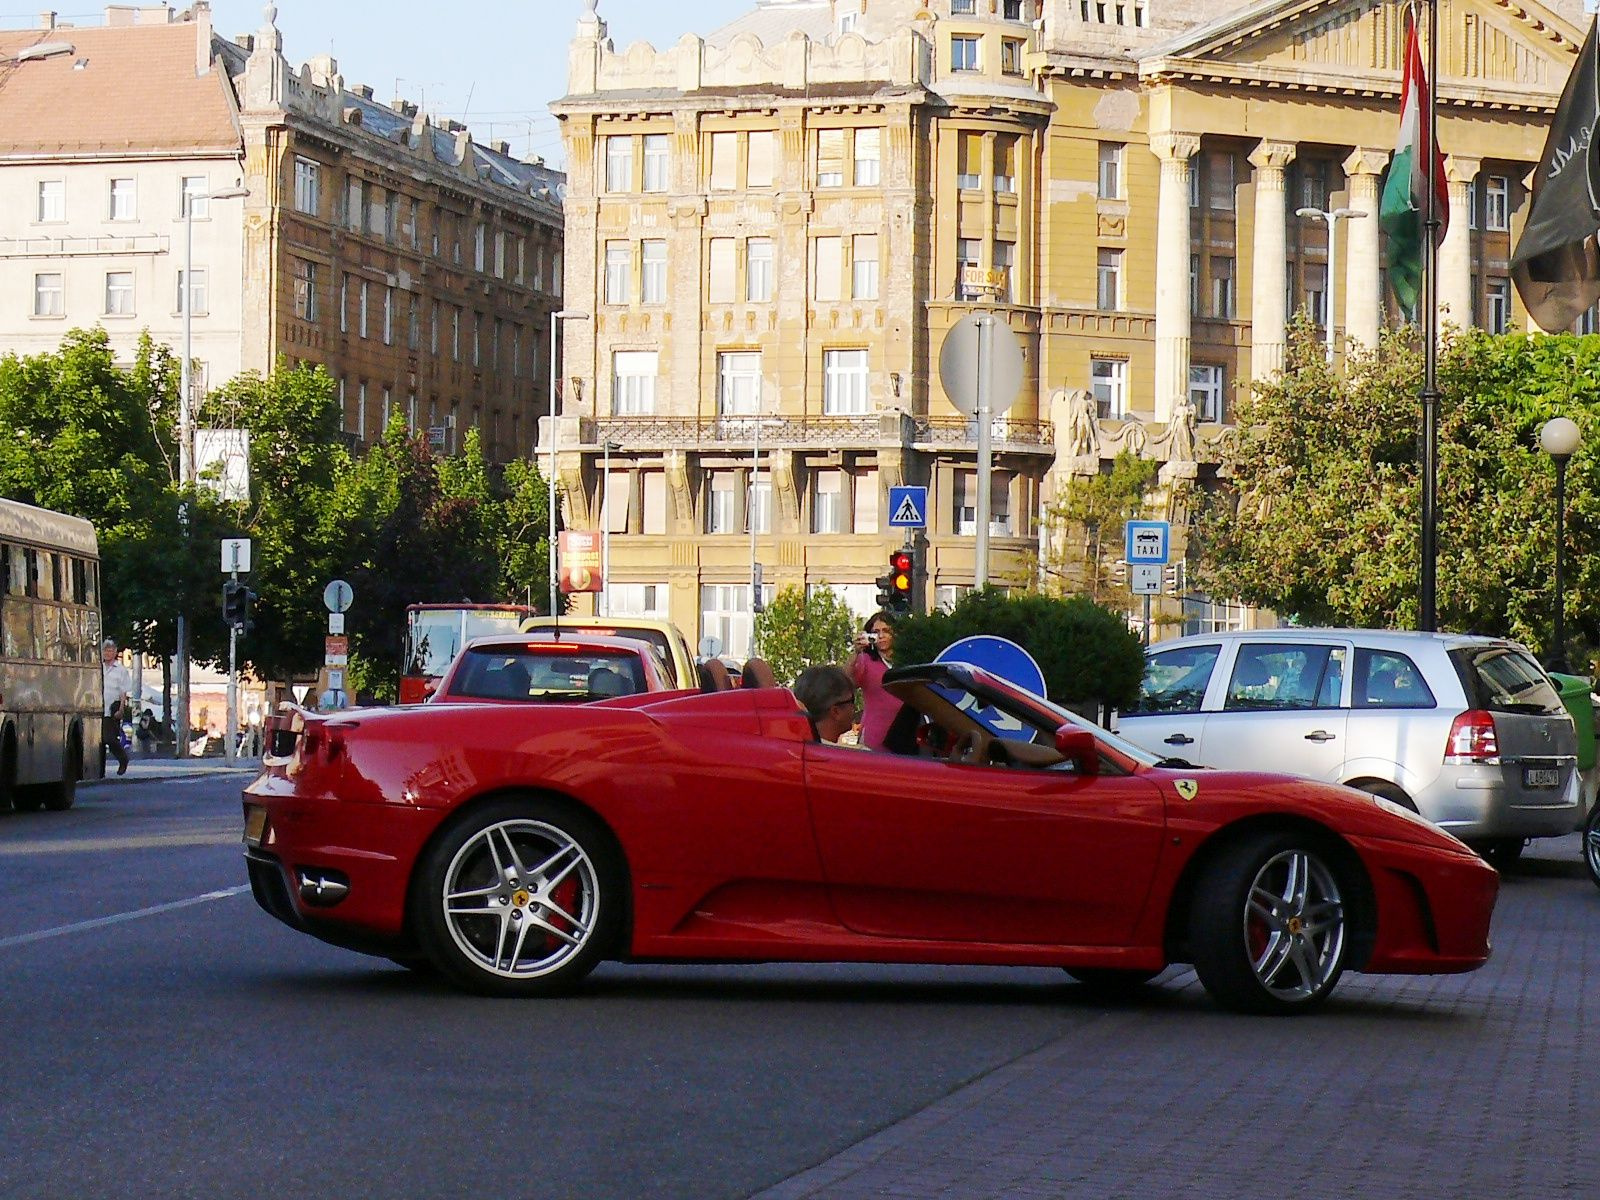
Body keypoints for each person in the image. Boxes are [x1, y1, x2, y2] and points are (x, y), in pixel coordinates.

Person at [846, 611, 904, 751]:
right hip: (875, 734)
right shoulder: (865, 661)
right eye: (876, 632)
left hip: (905, 732)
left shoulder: (905, 659)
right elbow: (846, 682)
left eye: (886, 631)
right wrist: (856, 653)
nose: (881, 636)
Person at [792, 664, 860, 745]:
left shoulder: (791, 749)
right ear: (836, 711)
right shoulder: (852, 756)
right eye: (852, 700)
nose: (854, 707)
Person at [100, 638, 131, 776]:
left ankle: (123, 758)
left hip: (112, 709)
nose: (107, 653)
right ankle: (100, 769)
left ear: (115, 652)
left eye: (110, 650)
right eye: (105, 650)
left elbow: (123, 691)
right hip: (98, 708)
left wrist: (121, 709)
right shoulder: (98, 668)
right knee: (98, 742)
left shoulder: (121, 670)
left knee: (109, 738)